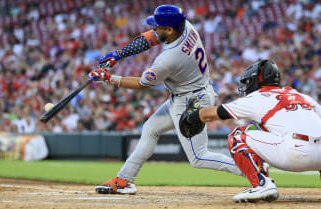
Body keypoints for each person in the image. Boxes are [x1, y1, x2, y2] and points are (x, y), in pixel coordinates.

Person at [89, 4, 242, 195]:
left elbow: (143, 84)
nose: (153, 29)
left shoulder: (168, 59)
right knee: (150, 129)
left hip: (190, 102)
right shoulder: (186, 27)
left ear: (169, 30)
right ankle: (124, 179)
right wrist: (119, 55)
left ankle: (250, 168)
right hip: (190, 93)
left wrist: (108, 78)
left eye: (158, 26)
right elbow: (152, 37)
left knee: (199, 157)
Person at [179, 59, 321, 203]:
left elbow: (216, 113)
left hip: (295, 154)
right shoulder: (299, 95)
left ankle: (262, 184)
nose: (246, 86)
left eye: (248, 82)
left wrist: (192, 117)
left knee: (237, 135)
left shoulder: (257, 97)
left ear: (256, 80)